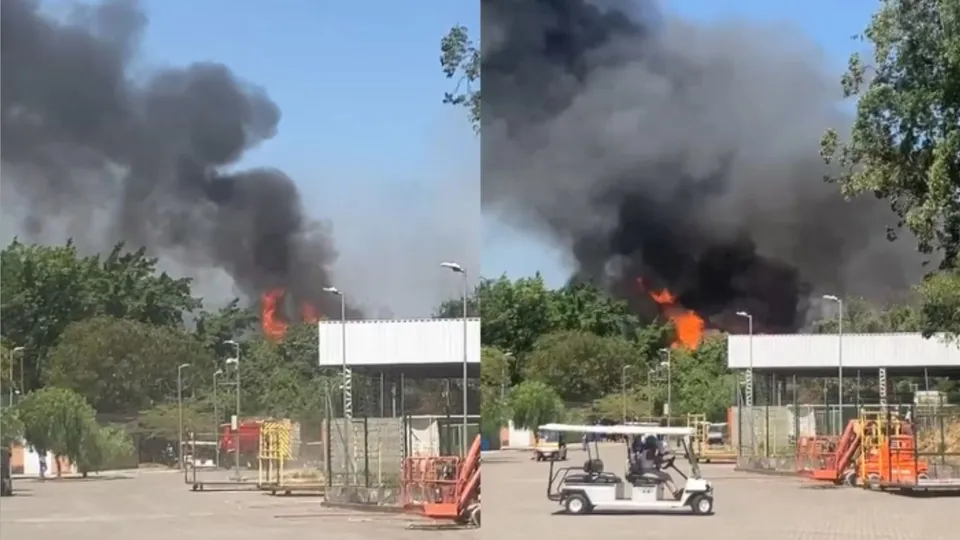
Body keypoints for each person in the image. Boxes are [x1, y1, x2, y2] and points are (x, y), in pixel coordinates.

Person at [637, 434, 681, 499]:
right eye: (655, 445)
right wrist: (667, 459)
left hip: (648, 470)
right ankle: (676, 494)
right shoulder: (649, 452)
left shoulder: (646, 451)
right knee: (666, 476)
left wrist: (666, 460)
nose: (656, 447)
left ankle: (675, 492)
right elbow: (657, 460)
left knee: (664, 474)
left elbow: (656, 460)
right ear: (652, 445)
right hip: (646, 471)